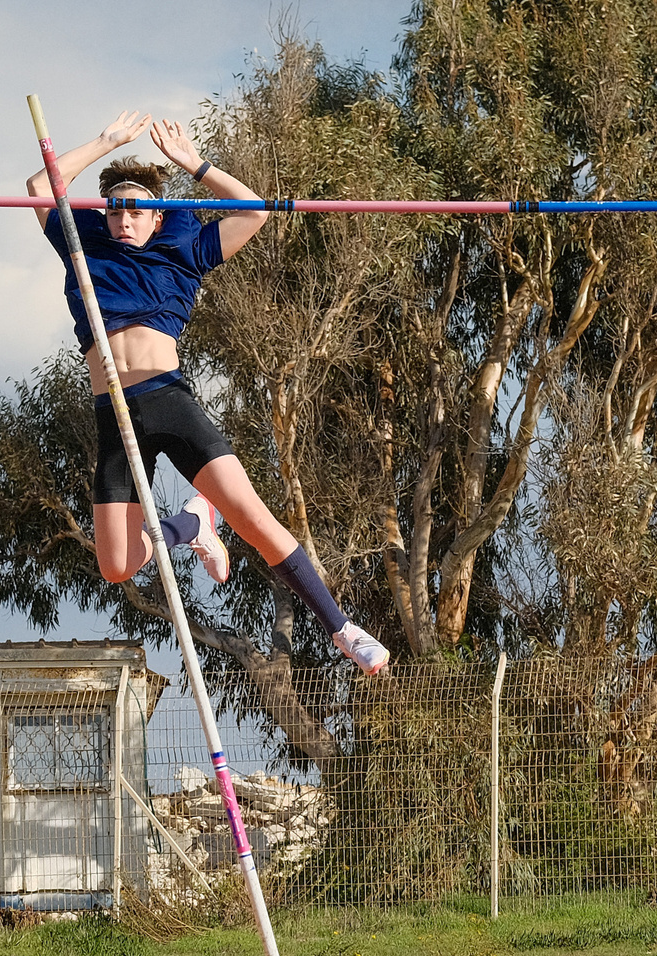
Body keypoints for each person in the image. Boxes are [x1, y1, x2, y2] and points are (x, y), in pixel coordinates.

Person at [28, 110, 390, 676]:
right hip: (111, 412)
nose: (125, 217)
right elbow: (39, 187)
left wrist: (193, 164)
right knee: (118, 566)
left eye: (138, 208)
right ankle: (192, 524)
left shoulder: (182, 254)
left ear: (158, 217)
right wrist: (105, 142)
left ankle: (341, 628)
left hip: (168, 401)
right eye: (116, 207)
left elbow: (253, 208)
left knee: (252, 517)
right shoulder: (85, 247)